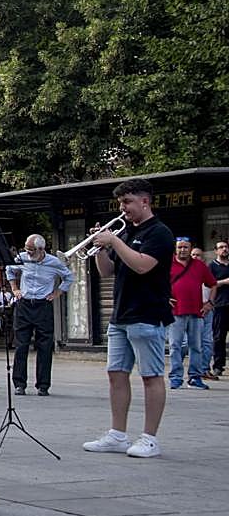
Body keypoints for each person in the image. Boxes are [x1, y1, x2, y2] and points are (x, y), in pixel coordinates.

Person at [82, 179, 175, 459]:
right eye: (121, 203)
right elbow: (107, 271)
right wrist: (100, 247)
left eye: (128, 202)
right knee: (116, 375)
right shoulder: (124, 234)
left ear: (145, 201)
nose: (123, 209)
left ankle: (149, 438)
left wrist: (113, 241)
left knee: (150, 377)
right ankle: (117, 435)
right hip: (120, 314)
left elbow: (143, 265)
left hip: (148, 314)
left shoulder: (160, 233)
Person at [6, 234, 74, 396]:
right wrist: (15, 288)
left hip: (43, 304)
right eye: (27, 249)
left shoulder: (53, 262)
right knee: (21, 345)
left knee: (44, 345)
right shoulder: (22, 258)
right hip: (25, 303)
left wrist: (57, 293)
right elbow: (9, 269)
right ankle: (19, 384)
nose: (28, 253)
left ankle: (43, 385)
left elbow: (68, 277)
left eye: (31, 251)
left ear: (41, 250)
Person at [166, 238, 216, 390]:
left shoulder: (199, 265)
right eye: (180, 247)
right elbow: (156, 284)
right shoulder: (167, 265)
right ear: (175, 249)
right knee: (175, 346)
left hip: (196, 312)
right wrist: (164, 298)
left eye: (186, 247)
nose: (183, 250)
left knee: (197, 346)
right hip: (176, 312)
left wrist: (210, 303)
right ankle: (175, 377)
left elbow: (212, 284)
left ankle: (195, 377)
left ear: (191, 248)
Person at [190, 247, 217, 381]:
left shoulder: (207, 270)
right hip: (190, 311)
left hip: (206, 310)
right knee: (189, 344)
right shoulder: (185, 270)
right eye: (193, 255)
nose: (195, 257)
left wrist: (210, 303)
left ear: (203, 258)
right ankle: (191, 371)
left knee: (207, 342)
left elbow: (214, 285)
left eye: (198, 255)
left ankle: (204, 369)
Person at [209, 240, 229, 376]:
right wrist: (224, 282)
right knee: (219, 337)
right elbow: (209, 283)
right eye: (221, 247)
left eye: (226, 247)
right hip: (220, 305)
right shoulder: (212, 266)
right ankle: (218, 365)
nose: (224, 249)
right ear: (216, 251)